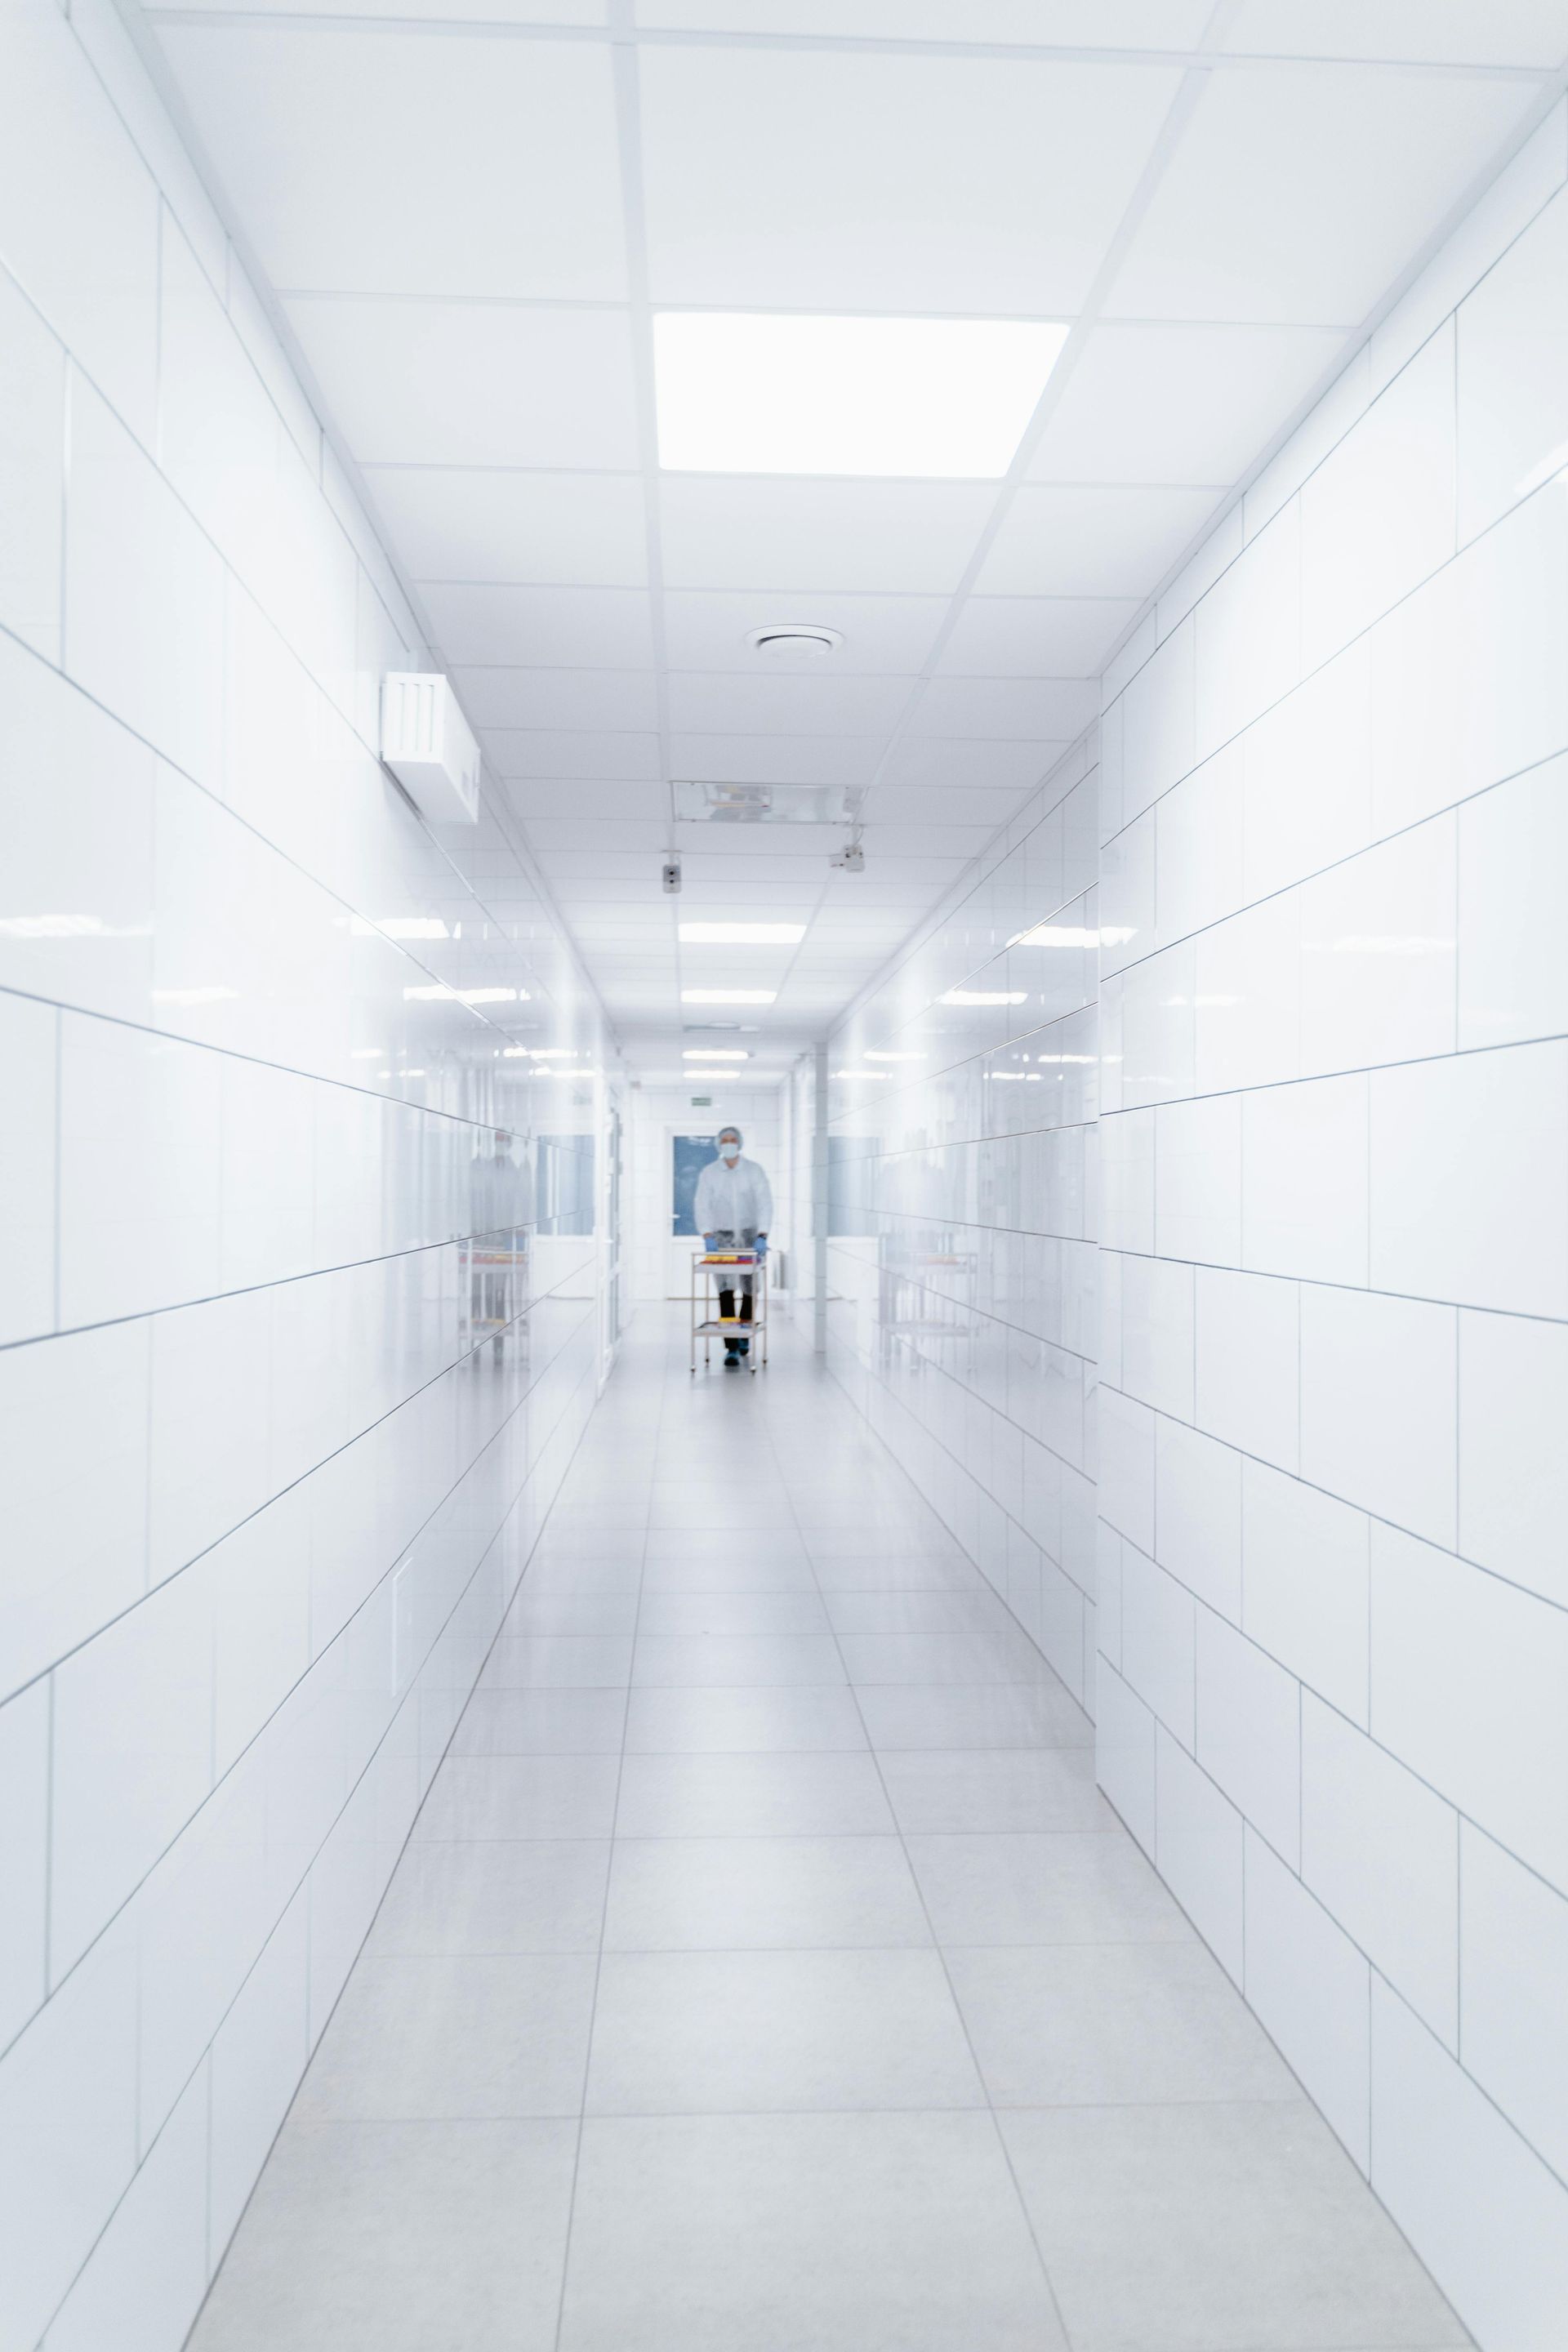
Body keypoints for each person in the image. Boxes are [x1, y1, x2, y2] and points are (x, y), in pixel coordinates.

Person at [693, 1125, 773, 1368]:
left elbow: (764, 1203)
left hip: (750, 1238)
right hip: (721, 1238)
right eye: (724, 1140)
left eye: (732, 1140)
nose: (729, 1143)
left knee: (750, 1290)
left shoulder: (753, 1171)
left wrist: (762, 1234)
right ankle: (731, 1346)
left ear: (740, 1143)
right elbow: (702, 1203)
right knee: (726, 1292)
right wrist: (707, 1234)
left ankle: (745, 1334)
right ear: (719, 1144)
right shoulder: (710, 1173)